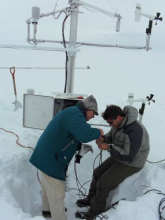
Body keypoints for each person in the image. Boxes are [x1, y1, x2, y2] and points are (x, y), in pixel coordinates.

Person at [29, 95, 104, 220]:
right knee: (57, 192)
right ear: (88, 109)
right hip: (51, 158)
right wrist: (98, 132)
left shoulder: (72, 112)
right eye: (93, 113)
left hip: (47, 155)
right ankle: (58, 216)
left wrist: (77, 145)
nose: (93, 117)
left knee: (48, 188)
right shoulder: (75, 114)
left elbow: (71, 133)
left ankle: (47, 211)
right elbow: (84, 134)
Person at [76, 105, 150, 220]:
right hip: (120, 155)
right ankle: (90, 199)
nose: (110, 125)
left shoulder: (135, 130)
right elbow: (112, 136)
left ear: (119, 117)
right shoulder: (118, 124)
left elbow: (129, 156)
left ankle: (94, 213)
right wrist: (104, 139)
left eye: (111, 122)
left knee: (103, 183)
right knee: (97, 173)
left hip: (132, 163)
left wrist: (109, 148)